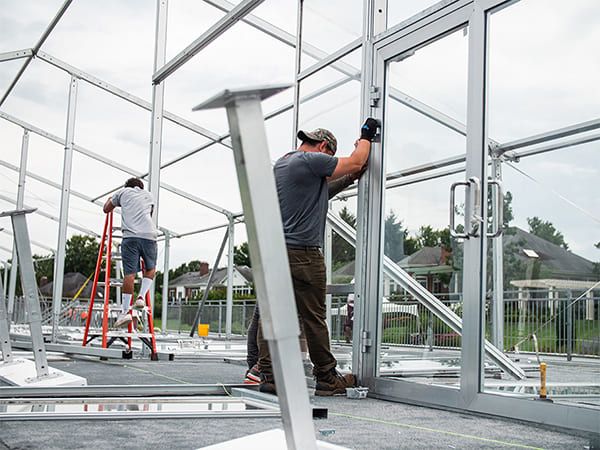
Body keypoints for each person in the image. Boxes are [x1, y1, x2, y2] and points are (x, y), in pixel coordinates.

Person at [256, 117, 379, 396]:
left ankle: (270, 377)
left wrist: (346, 180)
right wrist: (365, 138)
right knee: (314, 318)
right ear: (324, 147)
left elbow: (321, 191)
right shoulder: (313, 160)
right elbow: (358, 161)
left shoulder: (284, 163)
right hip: (303, 255)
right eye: (330, 160)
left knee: (271, 316)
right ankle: (326, 376)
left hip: (275, 253)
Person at [244, 174, 366, 384]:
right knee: (309, 315)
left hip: (272, 251)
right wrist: (350, 175)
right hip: (295, 253)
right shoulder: (296, 187)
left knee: (265, 313)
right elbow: (323, 191)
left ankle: (260, 370)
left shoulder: (280, 187)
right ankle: (322, 376)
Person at [103, 177, 158, 328]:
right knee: (150, 268)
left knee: (129, 275)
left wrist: (111, 199)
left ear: (128, 186)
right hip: (149, 236)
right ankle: (141, 297)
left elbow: (106, 208)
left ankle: (125, 312)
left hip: (131, 237)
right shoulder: (149, 196)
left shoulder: (122, 192)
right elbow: (150, 214)